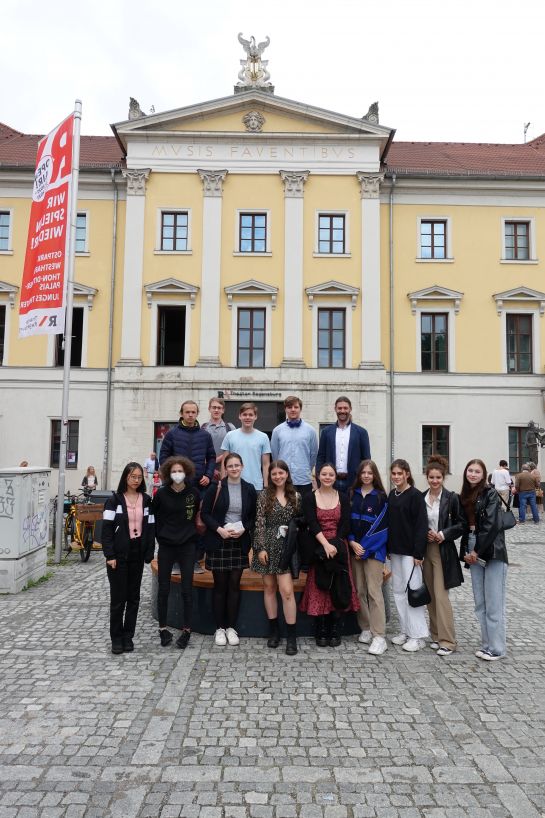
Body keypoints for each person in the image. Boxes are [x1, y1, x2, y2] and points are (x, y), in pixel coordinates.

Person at [299, 462, 359, 647]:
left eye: (330, 474)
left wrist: (334, 545)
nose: (327, 477)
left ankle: (335, 628)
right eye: (324, 474)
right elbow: (312, 522)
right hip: (319, 546)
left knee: (338, 586)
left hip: (338, 547)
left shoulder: (342, 496)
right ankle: (321, 629)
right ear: (318, 476)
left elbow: (346, 524)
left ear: (335, 477)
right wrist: (325, 545)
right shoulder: (309, 498)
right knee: (320, 587)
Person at [201, 453, 257, 648]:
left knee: (234, 586)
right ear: (225, 468)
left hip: (239, 542)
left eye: (237, 465)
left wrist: (244, 528)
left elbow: (253, 516)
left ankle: (231, 627)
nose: (233, 468)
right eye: (230, 466)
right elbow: (205, 513)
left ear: (242, 466)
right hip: (219, 540)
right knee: (220, 586)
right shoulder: (216, 487)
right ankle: (219, 628)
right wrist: (219, 530)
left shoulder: (249, 489)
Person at [102, 462, 155, 654]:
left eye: (139, 477)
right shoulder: (114, 500)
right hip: (118, 554)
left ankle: (127, 636)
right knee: (118, 599)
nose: (136, 480)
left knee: (134, 598)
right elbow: (106, 530)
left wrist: (149, 551)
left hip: (137, 553)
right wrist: (110, 555)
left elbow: (150, 527)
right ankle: (116, 638)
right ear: (126, 477)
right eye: (133, 476)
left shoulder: (147, 500)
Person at [459, 458, 508, 661]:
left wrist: (476, 551)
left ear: (483, 474)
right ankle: (487, 643)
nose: (473, 474)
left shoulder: (490, 494)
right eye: (470, 470)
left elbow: (490, 526)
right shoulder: (464, 495)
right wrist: (467, 551)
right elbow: (463, 526)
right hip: (472, 545)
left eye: (477, 471)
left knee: (494, 601)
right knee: (480, 601)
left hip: (491, 549)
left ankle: (497, 648)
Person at [159, 400, 216, 573]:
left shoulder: (205, 435)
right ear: (181, 413)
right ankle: (177, 561)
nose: (190, 415)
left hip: (199, 486)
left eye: (193, 412)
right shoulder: (172, 434)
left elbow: (212, 457)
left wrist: (207, 474)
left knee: (197, 522)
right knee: (178, 522)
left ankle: (196, 559)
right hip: (177, 487)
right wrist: (172, 477)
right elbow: (163, 457)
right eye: (187, 412)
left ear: (197, 414)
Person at [251, 460, 301, 655]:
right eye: (274, 474)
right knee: (270, 588)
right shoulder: (264, 495)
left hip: (286, 547)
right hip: (268, 545)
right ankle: (274, 631)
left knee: (287, 591)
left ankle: (291, 636)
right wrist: (261, 548)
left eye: (281, 473)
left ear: (287, 474)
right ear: (270, 476)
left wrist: (293, 527)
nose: (278, 476)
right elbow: (260, 522)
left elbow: (301, 520)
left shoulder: (295, 496)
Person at [152, 456, 201, 649]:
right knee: (163, 588)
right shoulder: (162, 494)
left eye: (181, 471)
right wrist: (160, 537)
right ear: (168, 473)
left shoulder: (194, 493)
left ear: (187, 472)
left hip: (187, 546)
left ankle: (186, 629)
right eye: (174, 471)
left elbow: (196, 516)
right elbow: (154, 518)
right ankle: (163, 629)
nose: (177, 474)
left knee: (187, 589)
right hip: (166, 546)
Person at [422, 455, 464, 657]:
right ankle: (436, 635)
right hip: (425, 549)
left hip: (443, 550)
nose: (434, 480)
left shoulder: (451, 498)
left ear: (443, 477)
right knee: (430, 595)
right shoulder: (422, 497)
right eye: (431, 477)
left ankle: (448, 641)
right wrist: (424, 533)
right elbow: (417, 523)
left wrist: (442, 534)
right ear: (427, 477)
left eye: (438, 477)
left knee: (441, 595)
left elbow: (461, 525)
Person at [388, 458, 429, 652]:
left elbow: (421, 525)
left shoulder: (415, 496)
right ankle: (405, 630)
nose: (396, 477)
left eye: (399, 473)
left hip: (410, 553)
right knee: (398, 592)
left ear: (407, 474)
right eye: (393, 473)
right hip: (395, 551)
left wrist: (418, 552)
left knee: (413, 592)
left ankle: (418, 635)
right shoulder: (392, 495)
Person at [348, 460, 388, 656]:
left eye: (369, 473)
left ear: (374, 475)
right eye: (363, 472)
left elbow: (382, 528)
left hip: (374, 552)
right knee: (359, 590)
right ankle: (365, 627)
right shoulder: (352, 495)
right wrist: (352, 542)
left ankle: (379, 635)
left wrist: (365, 547)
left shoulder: (380, 497)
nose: (366, 476)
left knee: (374, 592)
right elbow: (347, 523)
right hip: (356, 550)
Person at [316, 396, 371, 493]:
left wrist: (364, 480)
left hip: (354, 481)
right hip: (330, 481)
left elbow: (366, 460)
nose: (342, 411)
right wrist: (319, 478)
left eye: (345, 408)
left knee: (351, 508)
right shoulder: (326, 432)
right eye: (339, 408)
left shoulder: (361, 432)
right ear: (335, 409)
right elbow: (321, 456)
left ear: (350, 409)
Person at [270, 396, 318, 496]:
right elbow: (275, 455)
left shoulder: (310, 430)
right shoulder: (277, 431)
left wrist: (305, 469)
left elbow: (313, 454)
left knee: (303, 509)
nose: (293, 410)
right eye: (289, 407)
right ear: (285, 409)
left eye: (296, 407)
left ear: (300, 409)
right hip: (283, 480)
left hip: (303, 479)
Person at [220, 403, 271, 491]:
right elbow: (224, 461)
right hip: (233, 484)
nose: (247, 417)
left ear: (255, 417)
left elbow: (266, 464)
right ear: (240, 416)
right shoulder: (230, 436)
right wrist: (222, 482)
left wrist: (266, 485)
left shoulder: (263, 437)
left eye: (251, 415)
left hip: (256, 486)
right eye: (244, 414)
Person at [201, 397, 236, 479]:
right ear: (209, 409)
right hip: (206, 471)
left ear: (223, 410)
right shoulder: (203, 428)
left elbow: (233, 449)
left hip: (227, 469)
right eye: (214, 407)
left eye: (219, 408)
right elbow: (200, 450)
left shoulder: (230, 428)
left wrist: (214, 461)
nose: (216, 410)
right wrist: (211, 467)